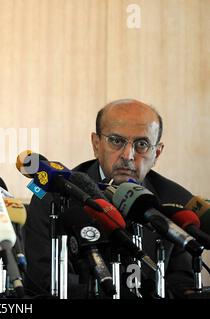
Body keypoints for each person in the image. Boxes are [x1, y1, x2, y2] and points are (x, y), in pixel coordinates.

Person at [25, 99, 195, 298]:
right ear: (96, 144)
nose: (128, 155)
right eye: (116, 140)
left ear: (157, 153)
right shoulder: (52, 196)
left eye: (142, 144)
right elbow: (47, 281)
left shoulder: (176, 201)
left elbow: (183, 284)